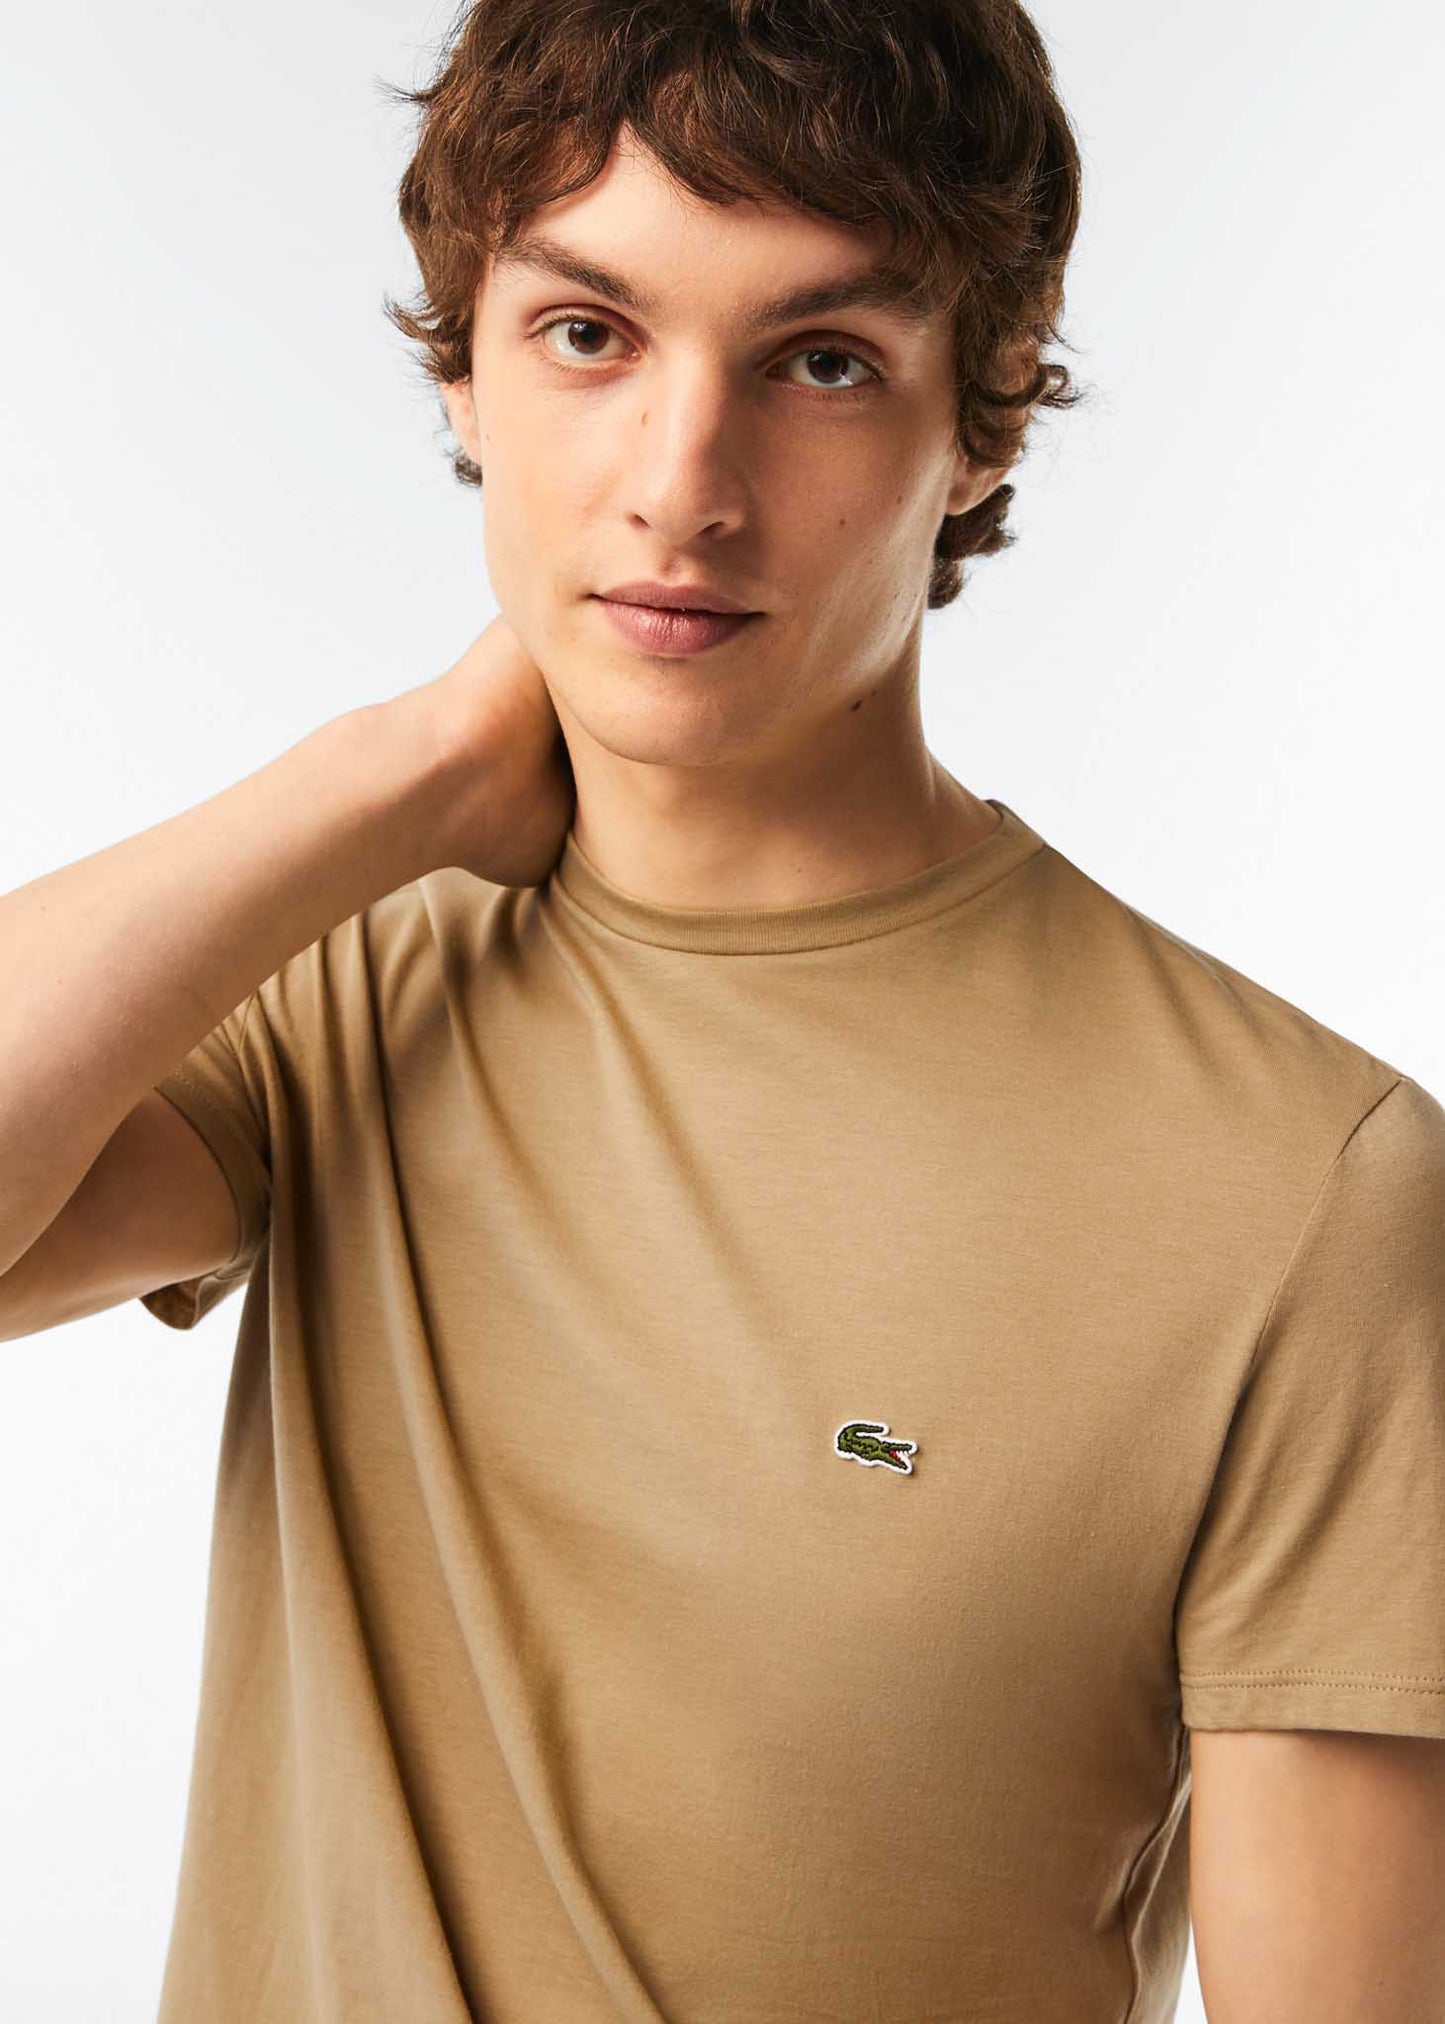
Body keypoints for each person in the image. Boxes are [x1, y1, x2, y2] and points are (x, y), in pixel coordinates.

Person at [2, 2, 1442, 2019]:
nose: (681, 485)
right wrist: (396, 771)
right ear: (464, 366)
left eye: (821, 360)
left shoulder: (1305, 1186)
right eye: (587, 333)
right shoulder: (348, 977)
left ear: (984, 414)